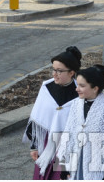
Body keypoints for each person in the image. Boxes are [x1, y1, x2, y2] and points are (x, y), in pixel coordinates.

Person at [56, 65, 104, 180]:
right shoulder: (75, 105)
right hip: (77, 163)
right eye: (77, 84)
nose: (77, 89)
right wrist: (64, 166)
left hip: (97, 166)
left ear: (95, 88)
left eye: (82, 86)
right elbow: (68, 136)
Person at [24, 46, 82, 180]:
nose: (54, 74)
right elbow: (36, 120)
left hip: (68, 147)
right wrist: (34, 146)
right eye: (53, 69)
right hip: (46, 145)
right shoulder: (46, 88)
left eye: (59, 71)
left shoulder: (79, 92)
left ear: (71, 72)